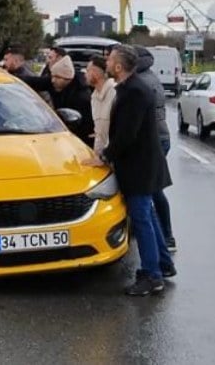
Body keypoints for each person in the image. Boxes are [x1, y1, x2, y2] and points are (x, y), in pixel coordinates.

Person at [100, 45, 175, 296]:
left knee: (141, 219)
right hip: (145, 164)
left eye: (109, 60)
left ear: (119, 67)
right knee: (149, 217)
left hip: (138, 167)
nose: (106, 63)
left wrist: (105, 155)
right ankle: (163, 264)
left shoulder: (133, 92)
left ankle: (152, 276)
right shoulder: (133, 88)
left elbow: (127, 135)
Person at [134, 46, 176, 253]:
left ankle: (166, 236)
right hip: (159, 137)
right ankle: (165, 235)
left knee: (152, 189)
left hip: (155, 139)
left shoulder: (143, 82)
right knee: (152, 189)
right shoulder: (147, 77)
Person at [86, 54, 116, 162]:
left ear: (96, 74)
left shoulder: (114, 92)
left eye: (88, 70)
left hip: (115, 157)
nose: (85, 74)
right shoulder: (94, 97)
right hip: (103, 158)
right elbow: (99, 132)